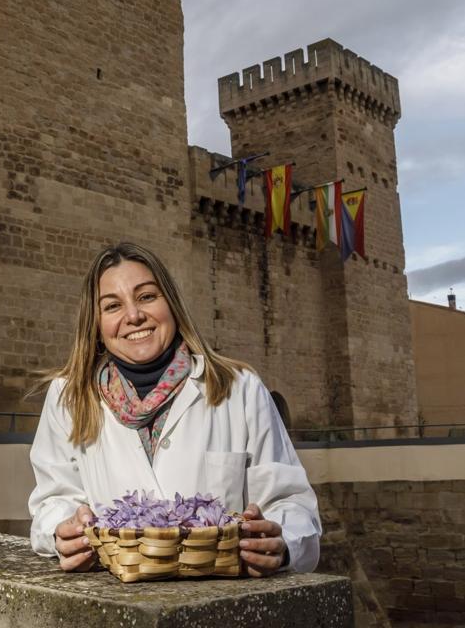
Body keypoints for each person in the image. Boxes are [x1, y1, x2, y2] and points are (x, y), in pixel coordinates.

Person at [28, 241, 321, 575]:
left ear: (171, 303)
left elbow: (293, 505)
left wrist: (283, 544)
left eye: (147, 297)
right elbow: (52, 500)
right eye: (112, 306)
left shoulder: (239, 389)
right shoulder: (68, 397)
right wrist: (61, 529)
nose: (134, 316)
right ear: (95, 324)